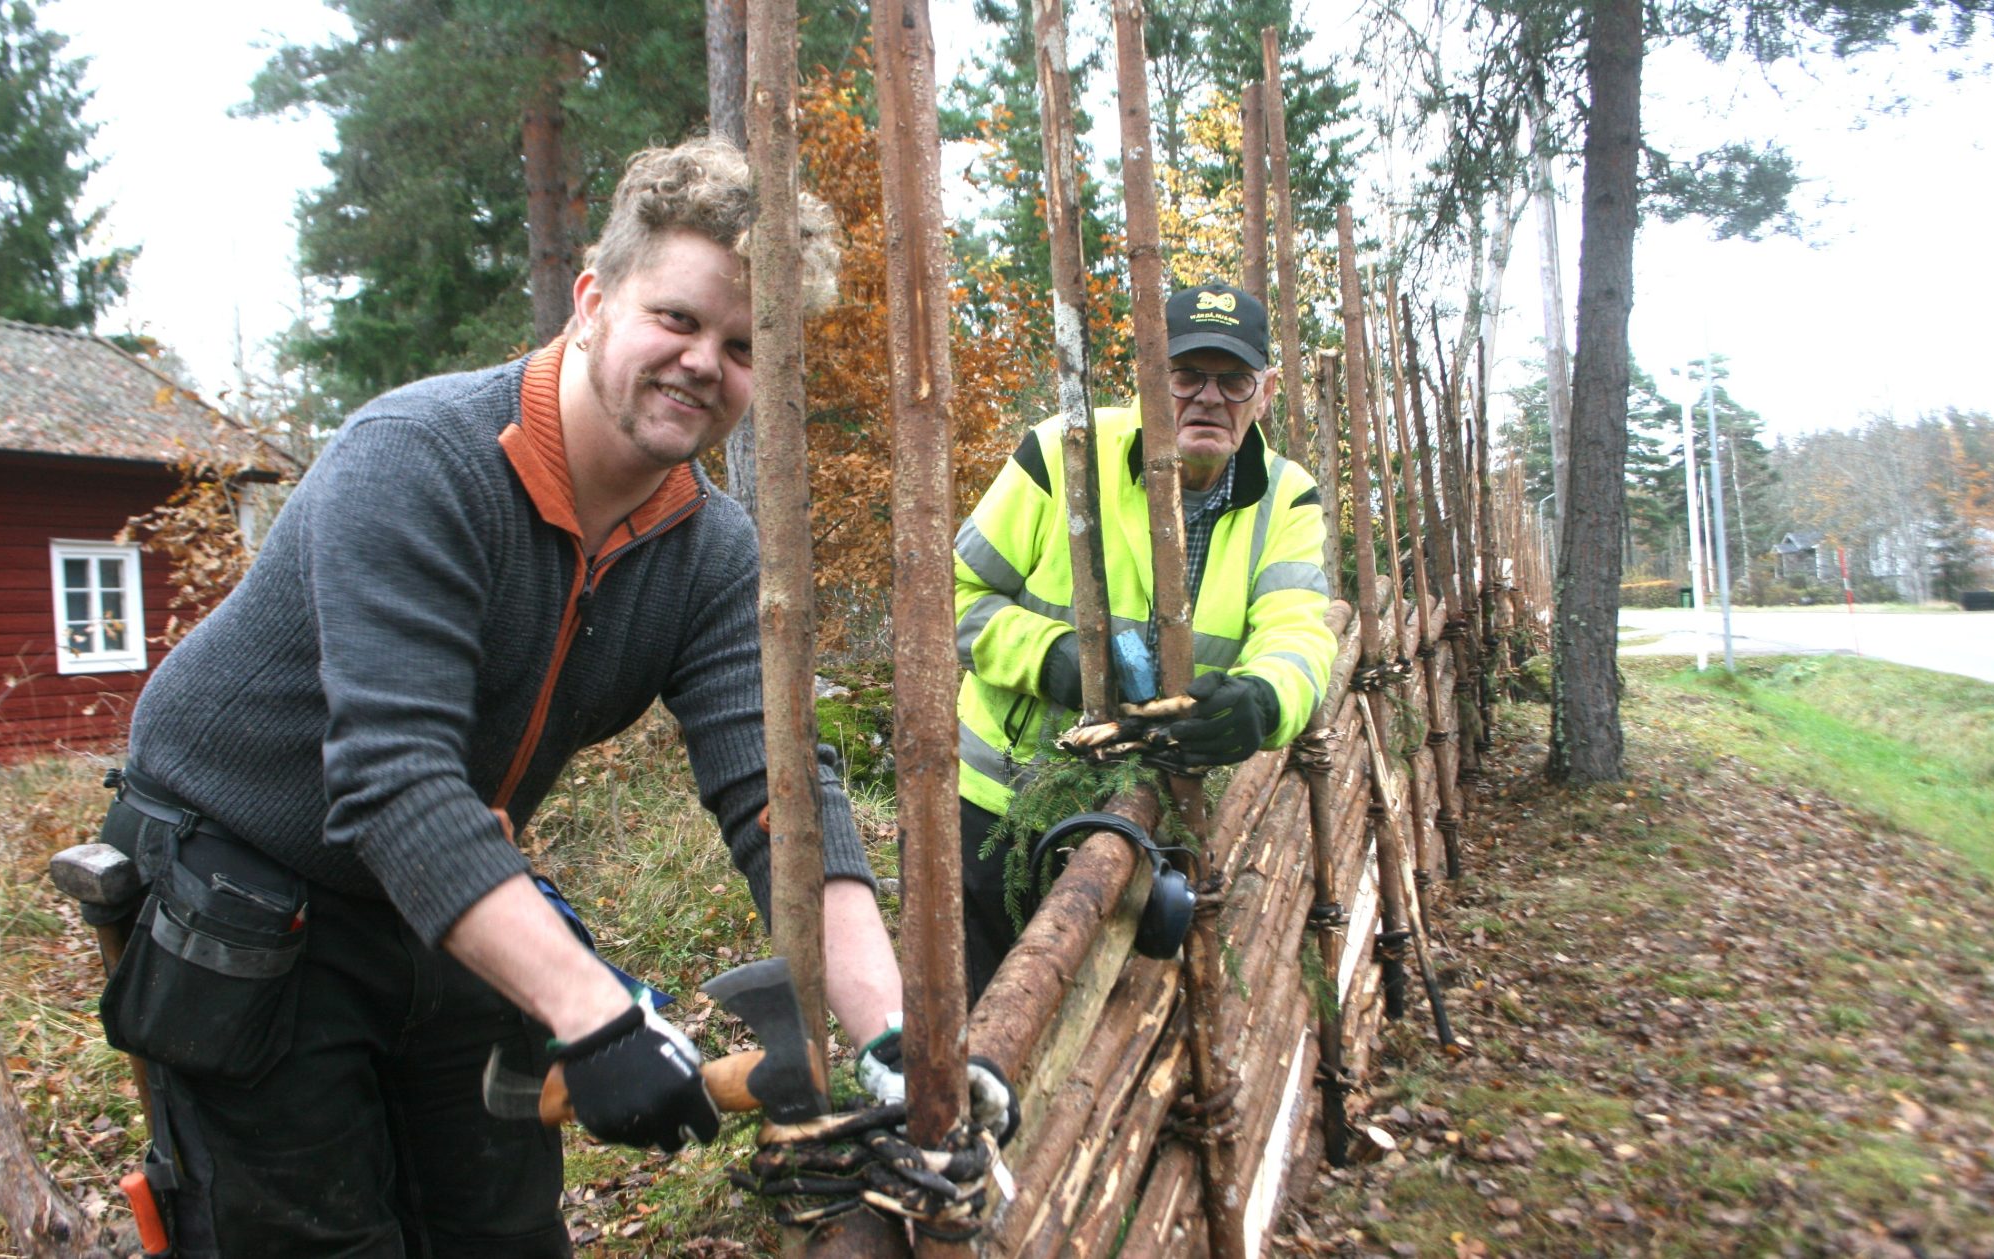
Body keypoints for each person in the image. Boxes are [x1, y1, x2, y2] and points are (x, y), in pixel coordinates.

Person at [98, 138, 939, 1258]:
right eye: (677, 319)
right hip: (247, 873)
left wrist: (895, 1036)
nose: (704, 363)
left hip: (448, 878)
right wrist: (595, 1010)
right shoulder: (418, 461)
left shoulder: (710, 551)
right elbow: (393, 780)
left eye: (743, 347)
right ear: (592, 301)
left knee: (501, 1229)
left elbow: (779, 795)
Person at [951, 281, 1339, 1002]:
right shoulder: (1059, 452)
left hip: (1152, 804)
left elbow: (1299, 633)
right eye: (1186, 375)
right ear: (1147, 374)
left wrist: (1259, 701)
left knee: (1117, 1007)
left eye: (1234, 380)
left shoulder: (1287, 497)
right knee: (992, 1003)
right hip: (1000, 797)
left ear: (1267, 390)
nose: (1208, 398)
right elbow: (956, 597)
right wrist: (1052, 656)